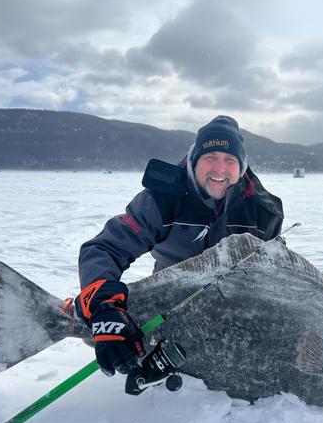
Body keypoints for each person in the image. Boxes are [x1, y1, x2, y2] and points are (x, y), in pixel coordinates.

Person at [75, 115, 284, 378]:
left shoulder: (263, 212)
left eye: (229, 160)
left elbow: (277, 278)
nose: (219, 169)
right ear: (194, 160)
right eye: (210, 157)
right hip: (166, 308)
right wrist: (105, 308)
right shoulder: (162, 199)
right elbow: (106, 248)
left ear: (241, 167)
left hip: (237, 314)